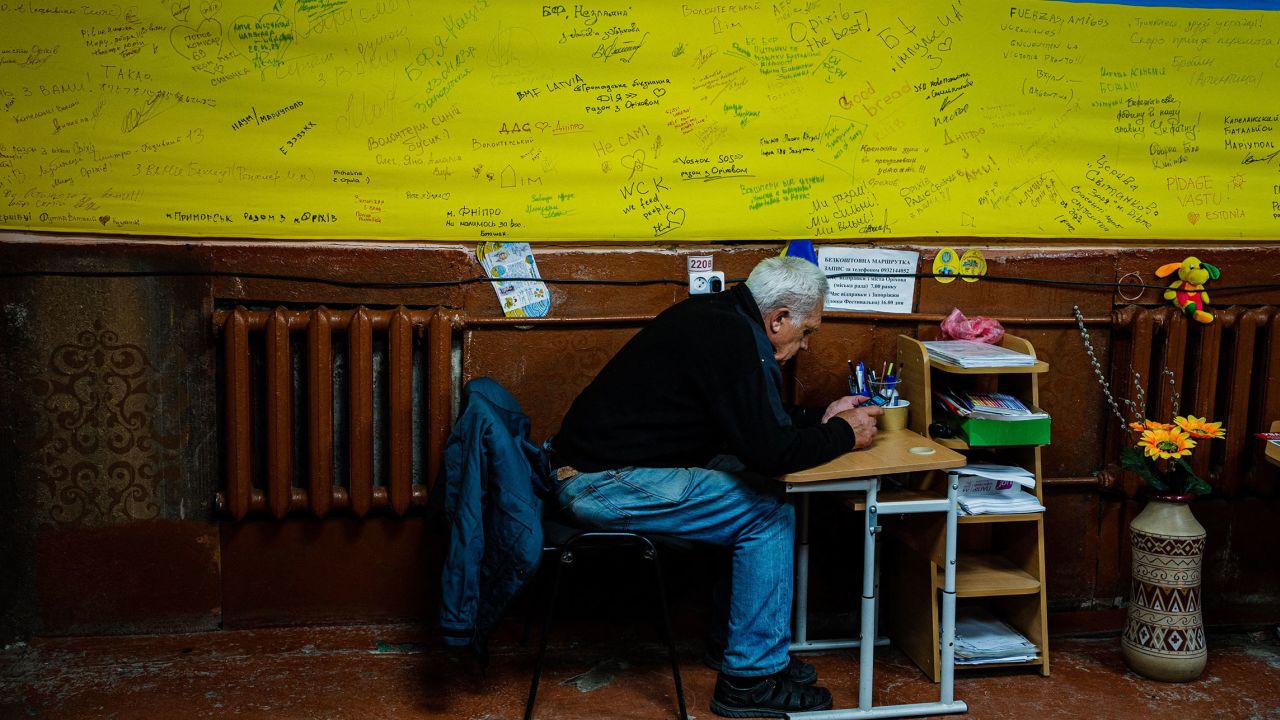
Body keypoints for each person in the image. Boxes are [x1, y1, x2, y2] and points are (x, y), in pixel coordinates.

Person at [547, 255, 882, 717]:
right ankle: (748, 679)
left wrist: (824, 418)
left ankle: (737, 645)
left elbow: (750, 425)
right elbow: (772, 451)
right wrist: (844, 434)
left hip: (607, 473)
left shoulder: (723, 319)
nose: (806, 345)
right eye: (807, 332)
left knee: (755, 485)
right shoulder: (730, 338)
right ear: (779, 319)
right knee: (765, 509)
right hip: (599, 485)